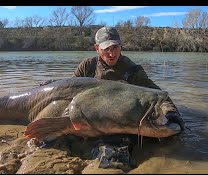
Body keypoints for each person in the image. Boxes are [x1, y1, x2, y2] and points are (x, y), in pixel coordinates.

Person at [41, 26, 185, 131]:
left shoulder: (132, 70)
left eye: (115, 47)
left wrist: (171, 113)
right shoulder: (87, 66)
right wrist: (53, 84)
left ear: (121, 46)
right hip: (90, 118)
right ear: (97, 49)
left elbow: (156, 95)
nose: (111, 53)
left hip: (115, 121)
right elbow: (69, 89)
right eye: (106, 49)